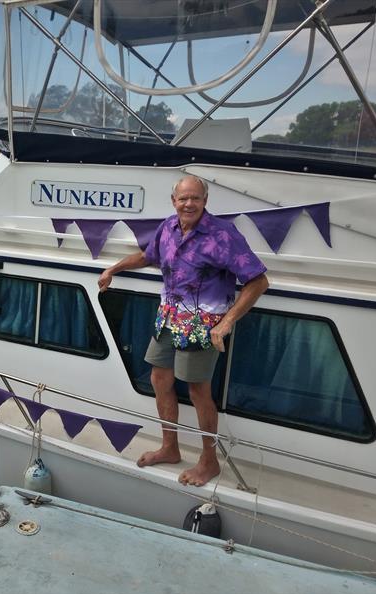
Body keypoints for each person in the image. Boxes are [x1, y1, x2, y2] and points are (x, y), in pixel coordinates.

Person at [98, 175, 269, 486]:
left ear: (205, 201)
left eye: (195, 198)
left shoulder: (223, 235)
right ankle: (170, 447)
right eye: (183, 198)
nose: (189, 203)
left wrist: (227, 321)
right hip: (168, 318)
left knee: (197, 390)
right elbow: (148, 257)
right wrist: (113, 269)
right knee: (159, 378)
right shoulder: (168, 227)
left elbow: (258, 281)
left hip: (202, 324)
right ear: (173, 201)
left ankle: (209, 461)